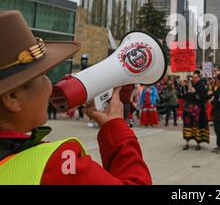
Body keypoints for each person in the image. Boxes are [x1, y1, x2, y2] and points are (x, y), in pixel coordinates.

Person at [0, 11, 152, 184]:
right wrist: (115, 127)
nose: (50, 85)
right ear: (12, 97)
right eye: (43, 75)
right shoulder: (55, 165)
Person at [182, 70, 209, 150]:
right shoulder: (189, 84)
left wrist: (195, 92)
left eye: (195, 77)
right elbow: (184, 95)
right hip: (188, 110)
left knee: (197, 126)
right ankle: (187, 143)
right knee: (187, 125)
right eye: (193, 77)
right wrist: (183, 88)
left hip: (197, 110)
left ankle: (198, 143)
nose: (193, 79)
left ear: (199, 77)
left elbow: (203, 97)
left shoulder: (202, 86)